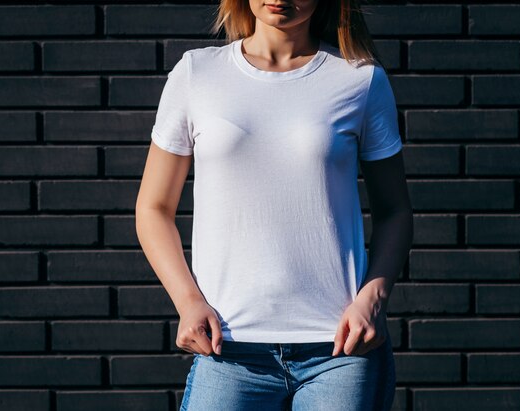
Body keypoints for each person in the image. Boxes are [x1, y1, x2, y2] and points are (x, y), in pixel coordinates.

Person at [135, 0, 413, 409]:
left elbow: (395, 211)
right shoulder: (197, 73)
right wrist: (188, 301)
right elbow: (153, 208)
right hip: (228, 348)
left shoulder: (360, 79)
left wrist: (373, 299)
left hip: (339, 351)